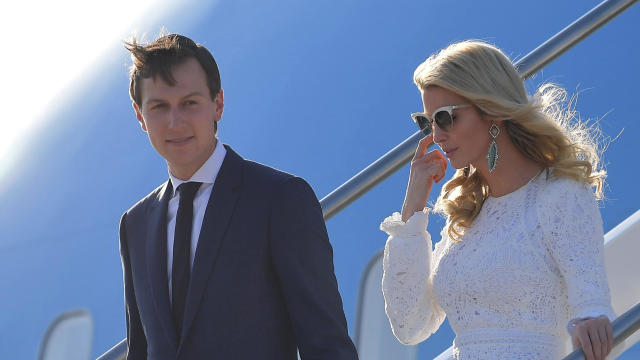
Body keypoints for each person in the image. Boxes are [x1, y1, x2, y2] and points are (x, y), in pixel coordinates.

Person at [118, 33, 358, 360]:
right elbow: (141, 352)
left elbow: (327, 345)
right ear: (139, 116)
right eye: (159, 107)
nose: (175, 122)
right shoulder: (135, 224)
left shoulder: (279, 198)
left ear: (218, 103)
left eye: (190, 103)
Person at [380, 40, 616, 360]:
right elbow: (410, 326)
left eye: (446, 118)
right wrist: (413, 208)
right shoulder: (467, 219)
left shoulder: (561, 195)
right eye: (427, 122)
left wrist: (591, 320)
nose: (436, 135)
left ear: (491, 109)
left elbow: (592, 305)